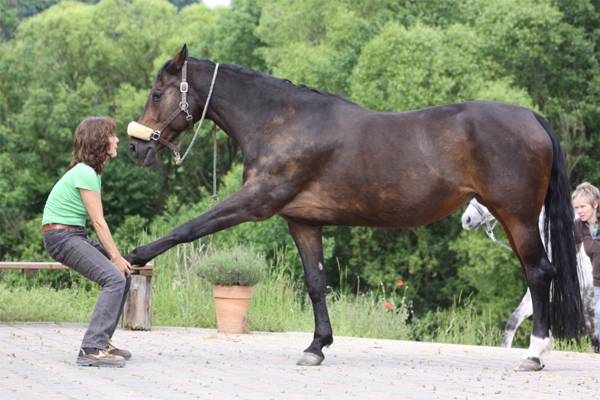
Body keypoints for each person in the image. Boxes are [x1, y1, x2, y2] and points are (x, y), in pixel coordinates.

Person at [42, 116, 132, 368]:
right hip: (61, 236)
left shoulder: (87, 172)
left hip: (71, 234)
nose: (117, 140)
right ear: (99, 142)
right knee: (115, 276)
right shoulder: (86, 173)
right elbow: (99, 222)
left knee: (122, 276)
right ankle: (91, 348)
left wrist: (117, 260)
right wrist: (115, 257)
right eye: (112, 136)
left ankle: (102, 340)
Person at [572, 182, 600, 348]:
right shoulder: (578, 227)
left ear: (595, 204)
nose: (579, 211)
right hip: (598, 283)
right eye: (576, 207)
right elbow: (571, 251)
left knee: (598, 311)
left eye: (583, 206)